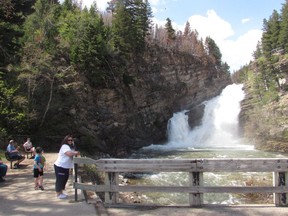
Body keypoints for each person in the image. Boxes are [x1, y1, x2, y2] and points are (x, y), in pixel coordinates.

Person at [54, 135, 80, 199]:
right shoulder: (64, 146)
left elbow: (71, 155)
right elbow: (69, 154)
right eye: (69, 140)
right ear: (66, 141)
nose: (70, 141)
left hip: (65, 167)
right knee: (60, 180)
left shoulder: (70, 147)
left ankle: (61, 192)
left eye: (71, 140)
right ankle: (58, 194)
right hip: (60, 166)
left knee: (64, 179)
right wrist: (76, 153)